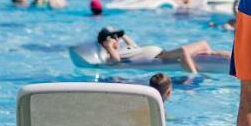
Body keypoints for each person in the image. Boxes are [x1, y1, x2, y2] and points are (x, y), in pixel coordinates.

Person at [96, 27, 229, 75]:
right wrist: (108, 46)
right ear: (105, 41)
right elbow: (116, 61)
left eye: (116, 37)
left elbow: (132, 43)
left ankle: (235, 57)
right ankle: (194, 75)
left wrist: (121, 35)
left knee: (206, 47)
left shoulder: (125, 48)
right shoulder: (112, 54)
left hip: (163, 52)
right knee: (184, 51)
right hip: (161, 57)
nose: (116, 39)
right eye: (113, 37)